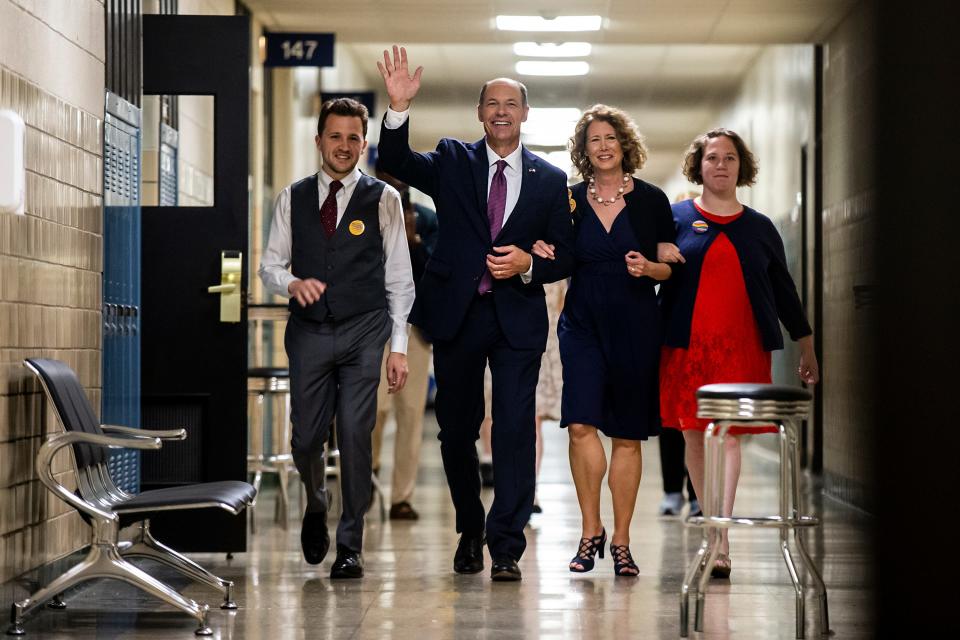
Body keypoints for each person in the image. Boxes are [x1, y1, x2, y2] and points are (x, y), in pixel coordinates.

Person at [376, 45, 575, 581]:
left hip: (517, 320)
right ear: (480, 113)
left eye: (512, 102)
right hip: (459, 317)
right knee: (456, 431)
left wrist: (529, 262)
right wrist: (398, 109)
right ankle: (471, 528)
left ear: (525, 113)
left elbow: (565, 255)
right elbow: (397, 162)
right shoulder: (453, 160)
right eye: (492, 103)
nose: (502, 111)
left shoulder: (551, 181)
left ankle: (507, 544)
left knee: (513, 429)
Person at [258, 97, 415, 579]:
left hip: (364, 330)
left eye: (353, 138)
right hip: (308, 331)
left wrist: (399, 348)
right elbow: (269, 265)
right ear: (319, 140)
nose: (343, 146)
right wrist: (291, 283)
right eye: (335, 136)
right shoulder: (293, 197)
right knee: (306, 439)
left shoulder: (383, 199)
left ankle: (350, 543)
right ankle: (315, 498)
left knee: (354, 433)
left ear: (363, 144)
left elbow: (399, 279)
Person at [657, 127, 820, 579]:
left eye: (730, 158)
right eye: (712, 158)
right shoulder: (674, 218)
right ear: (699, 165)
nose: (721, 165)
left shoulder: (760, 227)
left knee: (727, 434)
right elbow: (652, 273)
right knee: (692, 433)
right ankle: (711, 521)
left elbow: (784, 292)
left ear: (740, 167)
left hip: (740, 346)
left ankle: (720, 537)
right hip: (685, 346)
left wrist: (805, 344)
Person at [533, 104, 675, 577]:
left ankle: (621, 540)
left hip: (636, 320)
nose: (604, 145)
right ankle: (589, 530)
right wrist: (539, 251)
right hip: (582, 322)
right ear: (584, 149)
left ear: (624, 144)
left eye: (611, 137)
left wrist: (649, 269)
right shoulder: (569, 201)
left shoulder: (653, 200)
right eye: (594, 139)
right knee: (579, 424)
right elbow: (556, 259)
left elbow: (669, 265)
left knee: (628, 435)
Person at [370, 162, 439, 520]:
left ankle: (402, 497)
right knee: (376, 410)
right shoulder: (364, 216)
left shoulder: (426, 219)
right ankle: (369, 472)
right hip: (374, 328)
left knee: (411, 414)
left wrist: (414, 240)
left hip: (415, 329)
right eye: (387, 181)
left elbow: (438, 274)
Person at [478, 278, 566, 511]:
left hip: (544, 326)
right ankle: (503, 481)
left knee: (531, 415)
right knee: (498, 407)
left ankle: (529, 490)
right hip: (502, 317)